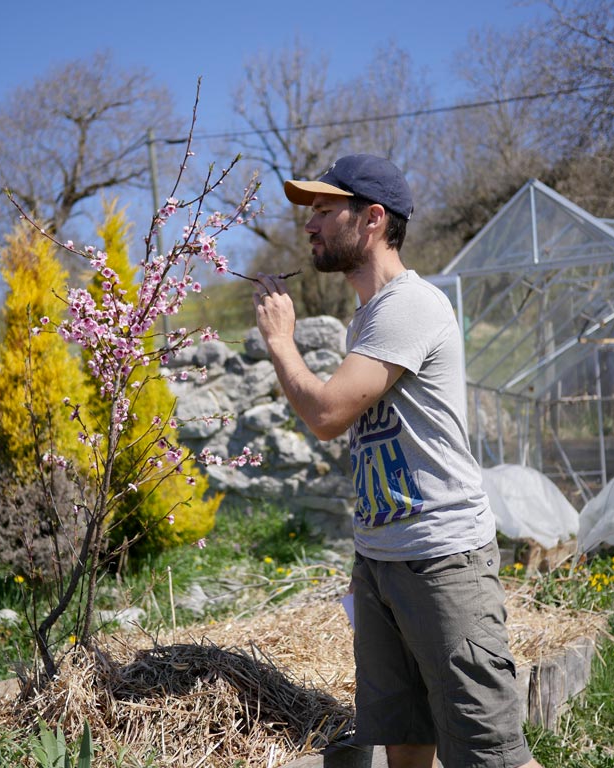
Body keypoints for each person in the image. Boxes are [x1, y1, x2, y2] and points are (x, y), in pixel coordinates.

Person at [251, 154, 543, 768]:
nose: (310, 227)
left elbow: (328, 414)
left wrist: (281, 343)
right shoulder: (370, 317)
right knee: (407, 741)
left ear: (374, 219)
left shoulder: (410, 306)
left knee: (491, 755)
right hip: (382, 561)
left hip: (441, 562)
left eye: (326, 212)